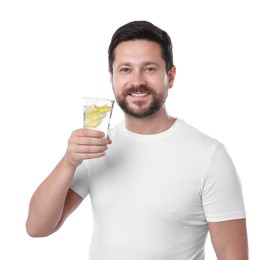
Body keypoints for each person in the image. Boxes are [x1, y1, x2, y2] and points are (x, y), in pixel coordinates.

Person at [26, 20, 248, 259]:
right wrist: (69, 161)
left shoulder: (209, 155)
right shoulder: (96, 148)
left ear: (170, 76)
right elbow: (38, 227)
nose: (137, 81)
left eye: (150, 68)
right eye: (125, 69)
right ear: (112, 78)